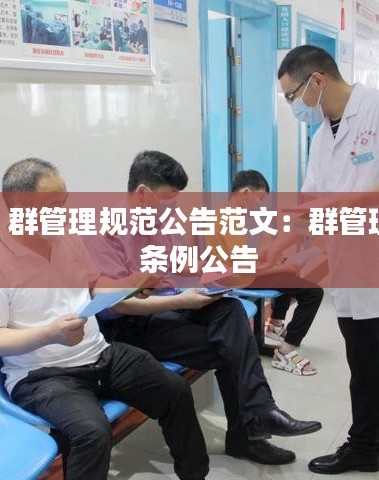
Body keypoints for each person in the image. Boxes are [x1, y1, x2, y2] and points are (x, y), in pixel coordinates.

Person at [0, 158, 210, 480]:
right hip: (42, 377)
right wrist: (50, 333)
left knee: (175, 390)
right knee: (92, 433)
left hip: (99, 354)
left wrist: (131, 283)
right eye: (53, 206)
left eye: (64, 203)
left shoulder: (67, 238)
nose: (63, 214)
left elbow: (95, 284)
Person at [84, 150, 322, 466]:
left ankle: (260, 415)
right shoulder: (104, 230)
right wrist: (181, 299)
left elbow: (183, 268)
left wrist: (220, 276)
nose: (172, 207)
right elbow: (117, 305)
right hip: (130, 328)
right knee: (233, 346)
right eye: (168, 200)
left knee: (230, 310)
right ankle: (251, 430)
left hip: (168, 310)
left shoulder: (161, 222)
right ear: (142, 194)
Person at [273, 45, 379, 479]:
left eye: (292, 96)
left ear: (317, 81)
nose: (293, 106)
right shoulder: (320, 139)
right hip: (352, 274)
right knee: (363, 372)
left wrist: (349, 203)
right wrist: (267, 251)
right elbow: (311, 208)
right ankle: (363, 448)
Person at [227, 170, 324, 376]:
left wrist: (275, 259)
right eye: (260, 198)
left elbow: (259, 251)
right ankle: (286, 350)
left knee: (290, 276)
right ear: (246, 193)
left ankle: (275, 323)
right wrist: (280, 267)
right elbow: (239, 267)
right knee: (313, 292)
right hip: (238, 277)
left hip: (250, 271)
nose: (260, 204)